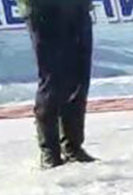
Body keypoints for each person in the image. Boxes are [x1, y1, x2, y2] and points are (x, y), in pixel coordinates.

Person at [24, 0, 94, 168]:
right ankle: (49, 150)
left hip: (78, 8)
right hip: (43, 10)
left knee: (78, 77)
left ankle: (73, 146)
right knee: (52, 79)